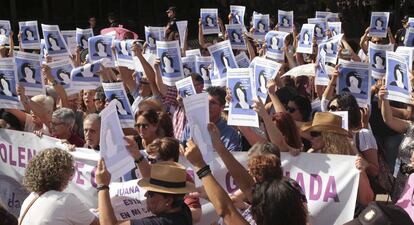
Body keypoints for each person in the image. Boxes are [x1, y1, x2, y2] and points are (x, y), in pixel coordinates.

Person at [302, 112, 374, 206]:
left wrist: (361, 173)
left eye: (314, 133)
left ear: (329, 136)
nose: (310, 137)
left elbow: (366, 200)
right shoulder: (311, 154)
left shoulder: (352, 162)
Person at [96, 160, 195, 225]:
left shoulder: (162, 222)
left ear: (168, 201)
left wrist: (102, 186)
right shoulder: (182, 209)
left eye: (151, 193)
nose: (145, 194)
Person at [19, 148, 98, 225]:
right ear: (60, 173)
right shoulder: (64, 200)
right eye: (70, 170)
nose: (71, 175)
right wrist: (102, 186)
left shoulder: (31, 197)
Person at [182, 86, 241, 151]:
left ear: (222, 107)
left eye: (212, 103)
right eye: (205, 101)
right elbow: (181, 149)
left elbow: (232, 159)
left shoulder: (230, 134)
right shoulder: (190, 127)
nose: (207, 105)